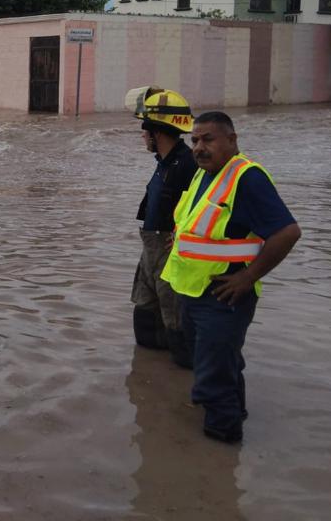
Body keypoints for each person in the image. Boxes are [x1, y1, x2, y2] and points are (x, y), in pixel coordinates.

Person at [162, 111, 301, 443]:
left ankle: (221, 447)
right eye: (194, 140)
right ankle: (234, 412)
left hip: (224, 296)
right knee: (218, 362)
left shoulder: (247, 178)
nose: (198, 147)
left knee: (212, 377)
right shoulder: (204, 174)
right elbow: (206, 224)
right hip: (193, 289)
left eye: (208, 139)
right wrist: (179, 236)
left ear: (232, 140)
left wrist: (247, 277)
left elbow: (287, 232)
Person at [129, 87, 197, 367]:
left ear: (157, 132)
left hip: (169, 252)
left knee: (175, 319)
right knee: (144, 317)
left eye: (146, 130)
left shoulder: (188, 164)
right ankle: (154, 374)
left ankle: (184, 375)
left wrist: (183, 237)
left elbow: (203, 206)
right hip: (150, 248)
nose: (142, 135)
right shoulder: (165, 162)